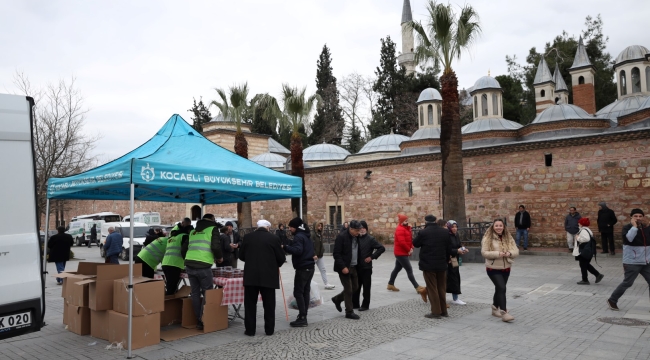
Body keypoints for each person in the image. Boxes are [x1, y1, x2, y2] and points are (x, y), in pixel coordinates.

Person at [239, 219, 286, 336]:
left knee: (250, 305)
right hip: (269, 276)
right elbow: (281, 258)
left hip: (251, 276)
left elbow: (241, 256)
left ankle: (250, 330)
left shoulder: (248, 237)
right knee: (269, 305)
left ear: (257, 227)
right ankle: (269, 330)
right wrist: (274, 264)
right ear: (268, 228)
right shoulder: (274, 238)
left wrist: (250, 260)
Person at [181, 214, 223, 330]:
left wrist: (187, 259)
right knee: (207, 293)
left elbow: (184, 248)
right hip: (203, 265)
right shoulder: (213, 229)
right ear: (213, 220)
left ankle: (198, 319)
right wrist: (219, 257)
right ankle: (204, 320)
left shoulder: (193, 231)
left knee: (195, 293)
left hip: (190, 264)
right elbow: (215, 246)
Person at [607, 209, 650, 311]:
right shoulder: (627, 228)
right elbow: (629, 239)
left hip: (646, 262)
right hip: (632, 262)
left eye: (640, 216)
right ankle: (612, 300)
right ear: (631, 217)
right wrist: (634, 227)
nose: (638, 218)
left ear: (643, 217)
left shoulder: (646, 228)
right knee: (628, 283)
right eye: (635, 216)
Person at [481, 219, 519, 322]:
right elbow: (484, 253)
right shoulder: (487, 238)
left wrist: (509, 253)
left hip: (506, 268)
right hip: (493, 268)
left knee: (499, 288)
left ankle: (494, 308)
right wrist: (498, 254)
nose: (498, 227)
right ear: (493, 227)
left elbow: (516, 250)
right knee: (502, 288)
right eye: (496, 225)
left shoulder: (508, 237)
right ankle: (504, 312)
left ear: (504, 227)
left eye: (500, 225)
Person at [413, 215, 451, 318]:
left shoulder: (424, 232)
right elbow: (449, 248)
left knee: (432, 288)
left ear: (426, 222)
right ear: (436, 221)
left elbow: (415, 243)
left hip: (428, 265)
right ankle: (444, 311)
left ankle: (436, 312)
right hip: (442, 264)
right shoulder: (445, 232)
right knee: (441, 288)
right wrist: (446, 260)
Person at [284, 217, 316, 327]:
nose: (289, 229)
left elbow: (298, 251)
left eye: (290, 227)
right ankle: (304, 315)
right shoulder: (307, 235)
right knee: (305, 292)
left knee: (298, 292)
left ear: (295, 227)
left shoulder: (298, 236)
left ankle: (302, 318)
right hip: (310, 267)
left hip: (303, 267)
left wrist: (286, 247)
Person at [387, 214, 427, 301]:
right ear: (401, 222)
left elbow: (409, 240)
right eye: (405, 221)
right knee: (409, 270)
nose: (407, 222)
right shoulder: (400, 229)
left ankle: (390, 284)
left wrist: (411, 247)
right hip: (400, 253)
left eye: (407, 220)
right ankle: (417, 287)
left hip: (403, 252)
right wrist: (409, 249)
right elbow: (402, 242)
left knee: (397, 268)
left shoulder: (406, 228)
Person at [332, 220, 362, 319]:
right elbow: (336, 253)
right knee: (348, 290)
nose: (358, 232)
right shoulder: (342, 237)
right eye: (357, 230)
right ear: (351, 229)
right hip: (344, 267)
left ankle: (337, 299)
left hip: (354, 266)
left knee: (355, 287)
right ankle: (349, 311)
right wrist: (343, 267)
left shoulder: (357, 237)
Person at [352, 220, 385, 311]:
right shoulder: (356, 238)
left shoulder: (370, 239)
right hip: (356, 266)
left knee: (366, 287)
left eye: (363, 228)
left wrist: (372, 256)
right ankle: (355, 304)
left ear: (366, 229)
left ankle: (365, 305)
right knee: (356, 286)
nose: (362, 230)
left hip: (366, 267)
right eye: (360, 228)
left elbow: (381, 248)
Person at [162, 219, 193, 295]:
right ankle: (168, 304)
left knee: (171, 286)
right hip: (174, 264)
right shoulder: (184, 236)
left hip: (166, 263)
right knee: (171, 288)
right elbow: (185, 250)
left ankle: (170, 302)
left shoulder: (172, 237)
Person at [573, 218, 604, 285]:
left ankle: (586, 279)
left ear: (582, 223)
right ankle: (597, 275)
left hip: (584, 251)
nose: (578, 224)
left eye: (579, 222)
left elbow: (586, 239)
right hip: (587, 250)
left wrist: (577, 238)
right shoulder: (587, 229)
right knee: (585, 265)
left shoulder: (584, 230)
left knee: (583, 265)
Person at [446, 220, 469, 305]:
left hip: (454, 260)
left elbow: (458, 245)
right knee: (446, 280)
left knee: (455, 278)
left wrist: (463, 249)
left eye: (456, 227)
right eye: (453, 227)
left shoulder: (456, 235)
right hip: (448, 260)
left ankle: (455, 298)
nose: (455, 228)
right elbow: (447, 249)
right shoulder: (447, 236)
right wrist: (457, 251)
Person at [311, 222, 335, 290]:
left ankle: (326, 283)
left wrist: (322, 251)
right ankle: (308, 283)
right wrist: (314, 254)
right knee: (311, 271)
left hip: (320, 255)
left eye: (321, 226)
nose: (320, 227)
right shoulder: (312, 235)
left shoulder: (320, 234)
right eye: (319, 226)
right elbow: (311, 245)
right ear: (315, 226)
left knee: (323, 269)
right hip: (314, 256)